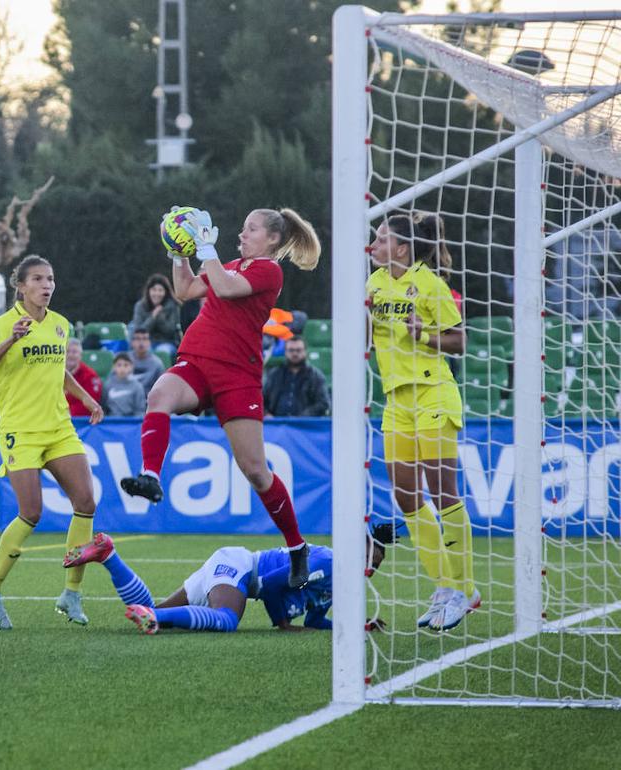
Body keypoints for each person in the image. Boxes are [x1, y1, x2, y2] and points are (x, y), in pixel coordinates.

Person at [121, 207, 322, 589]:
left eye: (251, 229)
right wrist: (178, 251)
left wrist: (205, 249)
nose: (242, 234)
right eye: (243, 228)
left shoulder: (268, 271)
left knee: (255, 471)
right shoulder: (227, 264)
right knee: (159, 394)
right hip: (197, 360)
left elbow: (226, 287)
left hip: (237, 375)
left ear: (273, 239)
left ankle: (297, 547)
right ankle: (150, 476)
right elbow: (184, 291)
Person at [0, 255, 105, 630]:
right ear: (21, 286)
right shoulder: (4, 324)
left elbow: (60, 370)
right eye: (38, 279)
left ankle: (72, 593)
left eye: (50, 278)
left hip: (59, 427)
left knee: (85, 502)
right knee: (31, 512)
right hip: (20, 429)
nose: (46, 285)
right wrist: (12, 339)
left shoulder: (61, 325)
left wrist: (88, 399)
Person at [369, 211, 479, 631]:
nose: (373, 246)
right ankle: (444, 586)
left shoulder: (430, 284)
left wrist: (424, 334)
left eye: (380, 240)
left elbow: (459, 340)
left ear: (401, 247)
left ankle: (464, 588)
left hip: (434, 393)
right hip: (397, 401)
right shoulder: (373, 285)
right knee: (406, 497)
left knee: (442, 492)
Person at [62, 526, 393, 634]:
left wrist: (356, 627)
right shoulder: (325, 561)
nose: (370, 569)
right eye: (369, 559)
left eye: (375, 565)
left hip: (233, 570)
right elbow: (270, 587)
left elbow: (318, 619)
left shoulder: (338, 582)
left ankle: (108, 554)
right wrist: (282, 622)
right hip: (240, 566)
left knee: (148, 608)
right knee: (227, 621)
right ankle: (157, 619)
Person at [262, 335, 331, 417]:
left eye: (298, 350)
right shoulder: (274, 375)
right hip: (277, 425)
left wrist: (301, 417)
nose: (295, 353)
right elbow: (261, 400)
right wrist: (266, 414)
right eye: (291, 350)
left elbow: (323, 404)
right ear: (285, 352)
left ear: (305, 352)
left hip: (305, 426)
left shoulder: (316, 376)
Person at [130, 274, 181, 355]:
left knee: (161, 352)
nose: (157, 293)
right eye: (154, 290)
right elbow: (138, 331)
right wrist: (153, 317)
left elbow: (170, 331)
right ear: (149, 291)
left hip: (167, 343)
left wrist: (160, 316)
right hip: (146, 343)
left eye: (160, 290)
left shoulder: (173, 306)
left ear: (165, 292)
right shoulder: (140, 306)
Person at [64, 337, 102, 418]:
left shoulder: (90, 376)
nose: (70, 355)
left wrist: (66, 413)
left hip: (81, 421)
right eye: (67, 352)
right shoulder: (55, 373)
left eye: (74, 352)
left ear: (81, 355)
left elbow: (91, 403)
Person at [128, 328, 165, 394]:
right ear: (132, 342)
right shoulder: (124, 360)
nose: (141, 342)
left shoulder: (157, 364)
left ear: (149, 343)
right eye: (138, 339)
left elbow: (162, 388)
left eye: (144, 339)